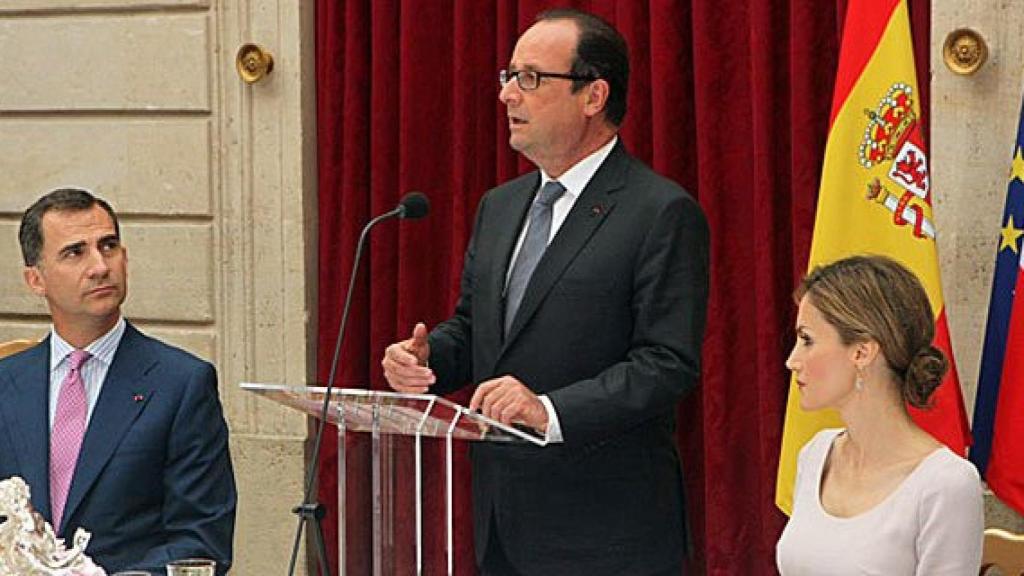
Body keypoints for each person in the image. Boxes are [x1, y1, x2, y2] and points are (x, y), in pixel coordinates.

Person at [382, 8, 709, 576]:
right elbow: (478, 328)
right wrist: (429, 355)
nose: (509, 95)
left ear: (593, 95)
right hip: (501, 524)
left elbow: (666, 364)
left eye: (530, 78)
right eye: (508, 77)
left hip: (607, 532)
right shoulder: (501, 205)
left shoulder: (660, 212)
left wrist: (550, 411)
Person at [0, 188, 237, 574]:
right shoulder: (7, 381)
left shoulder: (181, 384)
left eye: (108, 246)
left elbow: (201, 542)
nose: (99, 266)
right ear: (35, 279)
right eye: (75, 252)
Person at [776, 255, 983, 575]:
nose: (793, 360)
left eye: (807, 340)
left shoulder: (946, 483)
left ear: (862, 352)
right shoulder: (816, 454)